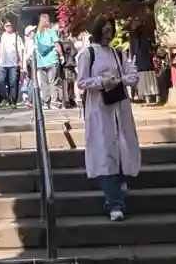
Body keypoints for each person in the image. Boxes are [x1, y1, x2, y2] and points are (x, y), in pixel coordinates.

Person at [75, 15, 141, 221]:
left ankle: (118, 187)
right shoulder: (87, 54)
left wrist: (119, 81)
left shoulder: (118, 53)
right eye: (104, 30)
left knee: (122, 146)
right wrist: (102, 82)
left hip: (119, 106)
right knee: (104, 152)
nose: (108, 34)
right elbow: (82, 81)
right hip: (99, 108)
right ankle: (114, 203)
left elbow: (133, 75)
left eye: (110, 30)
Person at [33, 13, 62, 109]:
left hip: (41, 61)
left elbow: (36, 46)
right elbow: (57, 45)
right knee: (53, 82)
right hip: (52, 59)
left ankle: (46, 102)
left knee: (44, 83)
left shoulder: (37, 34)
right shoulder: (51, 31)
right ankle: (54, 102)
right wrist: (61, 55)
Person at [0, 20, 23, 107]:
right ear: (4, 27)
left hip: (13, 64)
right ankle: (4, 98)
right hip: (2, 63)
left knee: (13, 83)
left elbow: (20, 50)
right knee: (0, 81)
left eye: (10, 25)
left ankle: (13, 102)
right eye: (7, 26)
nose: (9, 27)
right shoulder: (0, 37)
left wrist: (21, 62)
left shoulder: (16, 37)